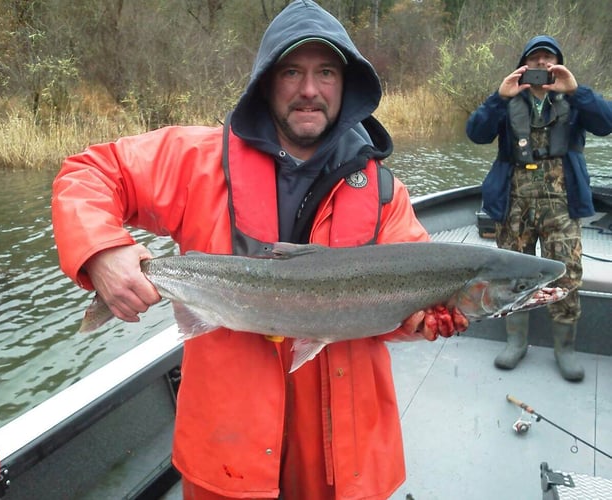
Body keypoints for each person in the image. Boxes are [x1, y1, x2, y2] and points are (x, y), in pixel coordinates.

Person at [53, 1, 468, 498]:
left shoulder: (384, 194)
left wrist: (418, 324)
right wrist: (101, 252)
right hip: (228, 445)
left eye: (326, 72)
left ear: (346, 85)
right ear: (267, 81)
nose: (309, 89)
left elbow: (397, 314)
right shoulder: (195, 161)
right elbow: (90, 173)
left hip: (346, 456)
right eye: (292, 70)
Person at [466, 35, 612, 382]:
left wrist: (578, 91)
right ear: (524, 66)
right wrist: (497, 98)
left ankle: (565, 348)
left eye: (549, 59)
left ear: (558, 64)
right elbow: (475, 133)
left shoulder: (575, 101)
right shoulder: (506, 101)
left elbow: (606, 123)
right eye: (536, 59)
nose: (542, 65)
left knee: (566, 270)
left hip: (560, 202)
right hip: (515, 200)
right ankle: (516, 341)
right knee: (509, 272)